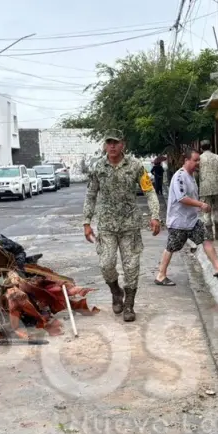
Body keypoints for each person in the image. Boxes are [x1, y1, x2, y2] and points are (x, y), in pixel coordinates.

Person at [83, 130, 161, 322]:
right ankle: (115, 291)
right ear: (105, 145)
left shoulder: (135, 166)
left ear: (122, 144)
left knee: (132, 267)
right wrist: (86, 222)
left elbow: (149, 191)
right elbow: (91, 195)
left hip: (130, 226)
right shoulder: (98, 167)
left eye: (116, 142)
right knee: (106, 264)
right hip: (107, 226)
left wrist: (155, 215)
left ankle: (129, 305)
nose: (112, 146)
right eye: (109, 142)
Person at [155, 149, 218, 286]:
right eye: (195, 160)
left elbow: (191, 197)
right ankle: (161, 275)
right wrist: (201, 204)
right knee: (171, 247)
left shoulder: (191, 176)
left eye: (199, 160)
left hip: (192, 221)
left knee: (206, 238)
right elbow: (181, 198)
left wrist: (197, 206)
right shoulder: (179, 177)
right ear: (186, 160)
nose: (198, 163)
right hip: (179, 222)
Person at [195, 140, 218, 240]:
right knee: (217, 210)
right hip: (217, 188)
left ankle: (209, 234)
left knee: (206, 212)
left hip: (204, 189)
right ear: (211, 147)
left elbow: (196, 176)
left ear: (201, 149)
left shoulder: (199, 160)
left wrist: (196, 188)